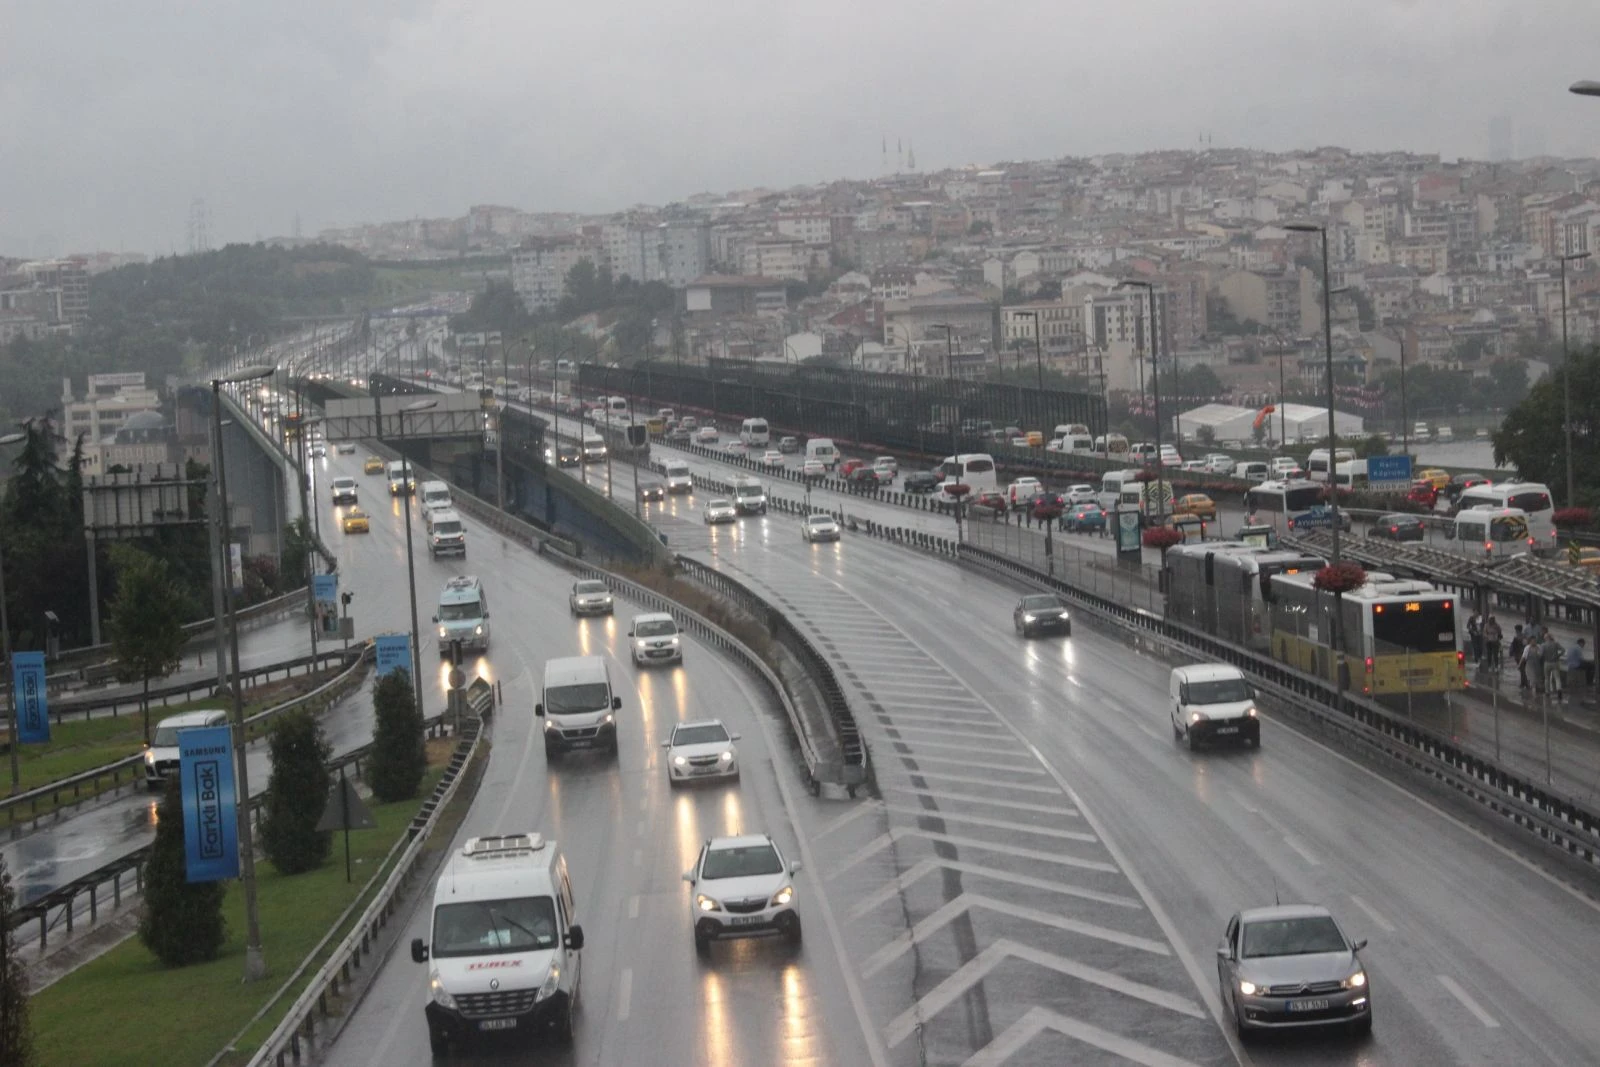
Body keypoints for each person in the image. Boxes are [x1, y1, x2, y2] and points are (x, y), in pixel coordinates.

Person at [1543, 634, 1566, 703]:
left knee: (1547, 678)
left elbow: (1540, 654)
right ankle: (1559, 689)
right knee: (1557, 677)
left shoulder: (1543, 645)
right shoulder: (1555, 643)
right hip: (1555, 662)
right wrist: (1558, 655)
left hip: (1547, 662)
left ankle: (1547, 692)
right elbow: (1563, 650)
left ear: (1546, 638)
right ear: (1551, 638)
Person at [1510, 625, 1528, 690]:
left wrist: (1512, 653)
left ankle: (1525, 683)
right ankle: (1523, 683)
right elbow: (1525, 645)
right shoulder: (1524, 637)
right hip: (1522, 655)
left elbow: (1513, 646)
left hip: (1519, 655)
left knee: (1522, 670)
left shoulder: (1517, 637)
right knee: (1522, 669)